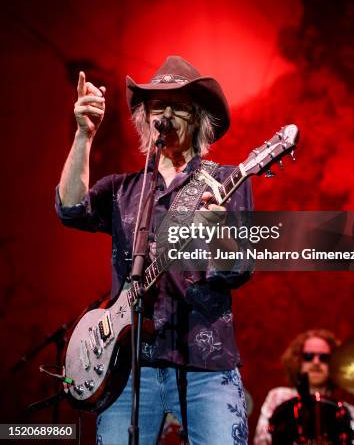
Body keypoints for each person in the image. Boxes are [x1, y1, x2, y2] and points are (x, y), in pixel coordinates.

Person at [55, 56, 253, 445]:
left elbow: (238, 271)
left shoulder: (225, 181)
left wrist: (219, 236)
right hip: (128, 368)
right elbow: (70, 209)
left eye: (178, 105)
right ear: (145, 118)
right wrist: (84, 136)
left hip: (204, 366)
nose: (165, 113)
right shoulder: (125, 189)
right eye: (157, 105)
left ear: (197, 118)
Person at [254, 329, 354, 444]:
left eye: (324, 358)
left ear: (334, 363)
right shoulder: (279, 396)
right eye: (309, 356)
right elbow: (261, 440)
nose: (316, 362)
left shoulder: (344, 410)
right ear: (298, 362)